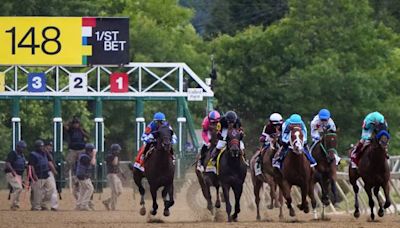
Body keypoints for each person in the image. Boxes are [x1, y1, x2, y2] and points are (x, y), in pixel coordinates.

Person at [64, 116, 89, 200]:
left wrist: (81, 130)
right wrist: (69, 121)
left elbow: (87, 136)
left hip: (81, 149)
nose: (76, 125)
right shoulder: (71, 130)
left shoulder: (81, 130)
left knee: (81, 163)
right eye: (74, 123)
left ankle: (79, 174)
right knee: (69, 161)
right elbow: (65, 126)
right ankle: (69, 175)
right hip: (73, 149)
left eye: (77, 123)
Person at [29, 139, 55, 211]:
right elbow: (31, 166)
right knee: (37, 192)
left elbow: (50, 160)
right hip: (38, 175)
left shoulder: (45, 153)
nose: (42, 148)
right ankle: (36, 207)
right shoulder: (33, 154)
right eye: (40, 146)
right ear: (37, 147)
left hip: (46, 175)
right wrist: (34, 175)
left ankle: (44, 204)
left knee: (51, 189)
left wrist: (47, 153)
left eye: (42, 146)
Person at [5, 140, 27, 210]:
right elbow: (8, 163)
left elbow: (23, 164)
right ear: (17, 147)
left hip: (19, 174)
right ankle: (14, 204)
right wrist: (13, 171)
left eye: (23, 148)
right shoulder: (13, 153)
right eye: (21, 147)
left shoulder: (22, 155)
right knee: (18, 188)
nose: (22, 149)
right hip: (11, 173)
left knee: (18, 189)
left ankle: (16, 204)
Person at [103, 144, 124, 211]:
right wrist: (116, 156)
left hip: (116, 175)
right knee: (114, 191)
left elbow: (117, 165)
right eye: (117, 150)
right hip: (111, 175)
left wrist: (122, 173)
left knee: (120, 191)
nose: (119, 152)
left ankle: (107, 202)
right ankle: (113, 207)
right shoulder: (110, 156)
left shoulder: (116, 157)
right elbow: (114, 163)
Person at [75, 143, 96, 211]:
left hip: (82, 175)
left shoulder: (84, 155)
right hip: (83, 175)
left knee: (83, 190)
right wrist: (94, 155)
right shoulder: (85, 157)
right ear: (90, 151)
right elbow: (93, 163)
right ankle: (84, 205)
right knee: (90, 189)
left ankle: (79, 205)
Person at [43, 140, 59, 211]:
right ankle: (44, 204)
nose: (50, 147)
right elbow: (50, 163)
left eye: (51, 146)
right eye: (49, 146)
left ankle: (53, 206)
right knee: (51, 189)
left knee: (52, 189)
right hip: (46, 172)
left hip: (48, 173)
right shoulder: (44, 154)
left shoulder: (50, 154)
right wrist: (55, 171)